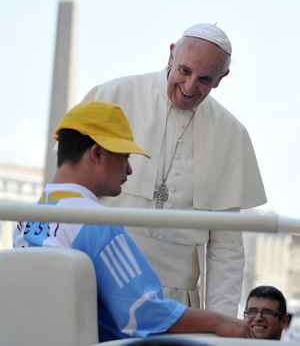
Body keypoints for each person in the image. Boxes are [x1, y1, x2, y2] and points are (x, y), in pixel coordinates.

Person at [13, 102, 252, 342]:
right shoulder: (95, 222)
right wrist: (221, 322)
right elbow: (142, 313)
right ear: (97, 153)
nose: (129, 170)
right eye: (124, 156)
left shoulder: (25, 221)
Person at [82, 23, 267, 316]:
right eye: (184, 71)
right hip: (99, 284)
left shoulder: (231, 134)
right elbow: (72, 192)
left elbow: (226, 250)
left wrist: (220, 324)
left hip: (175, 301)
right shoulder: (112, 96)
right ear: (171, 55)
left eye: (205, 79)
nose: (190, 87)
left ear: (222, 78)